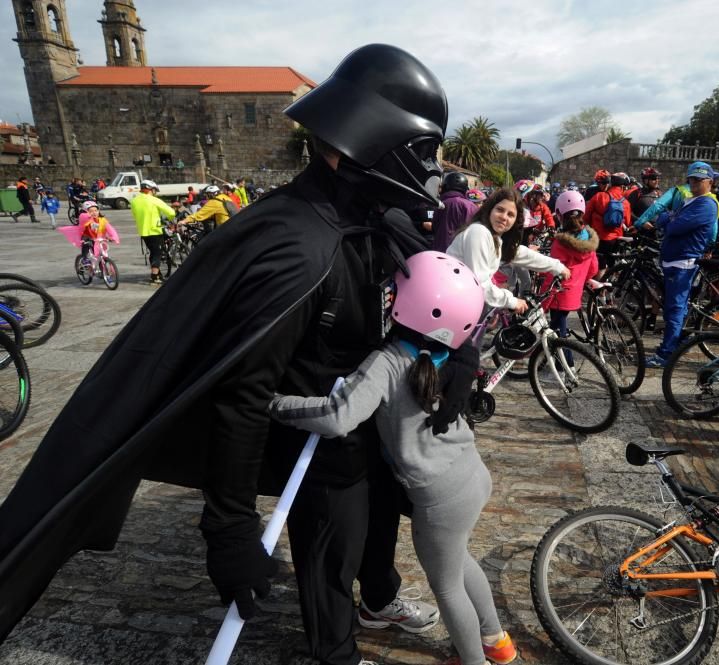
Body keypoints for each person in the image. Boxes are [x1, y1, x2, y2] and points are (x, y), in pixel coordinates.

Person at [0, 44, 460, 665]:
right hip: (316, 443)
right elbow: (240, 394)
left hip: (367, 427)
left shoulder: (372, 220)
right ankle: (338, 651)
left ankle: (380, 597)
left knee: (379, 526)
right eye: (421, 151)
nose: (430, 169)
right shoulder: (295, 242)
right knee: (333, 545)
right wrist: (230, 525)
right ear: (374, 141)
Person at [270, 251, 518, 665]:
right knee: (460, 561)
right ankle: (497, 641)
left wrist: (277, 404)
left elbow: (337, 417)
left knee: (448, 584)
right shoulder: (454, 356)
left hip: (439, 497)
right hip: (472, 477)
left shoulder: (387, 362)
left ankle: (475, 659)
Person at [644, 161, 719, 368]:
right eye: (691, 179)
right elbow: (669, 219)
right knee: (675, 307)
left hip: (683, 261)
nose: (694, 183)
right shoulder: (692, 200)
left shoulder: (705, 204)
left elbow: (674, 226)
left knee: (674, 308)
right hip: (675, 259)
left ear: (710, 182)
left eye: (699, 179)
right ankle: (676, 342)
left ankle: (666, 354)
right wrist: (669, 217)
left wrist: (668, 217)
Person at [447, 188, 568, 315]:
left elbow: (520, 253)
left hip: (462, 305)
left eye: (511, 215)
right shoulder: (479, 232)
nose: (504, 217)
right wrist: (512, 301)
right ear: (490, 209)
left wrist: (557, 266)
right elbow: (480, 284)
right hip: (452, 308)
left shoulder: (495, 238)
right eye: (500, 210)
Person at [538, 190, 599, 363]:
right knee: (560, 328)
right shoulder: (589, 239)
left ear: (559, 214)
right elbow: (593, 268)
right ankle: (553, 362)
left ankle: (566, 367)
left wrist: (544, 304)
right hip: (575, 293)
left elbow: (553, 275)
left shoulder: (560, 243)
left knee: (559, 333)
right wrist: (581, 280)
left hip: (560, 295)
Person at [583, 170, 632, 273]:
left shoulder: (599, 196)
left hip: (599, 238)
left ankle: (600, 288)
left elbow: (586, 217)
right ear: (623, 187)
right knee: (612, 265)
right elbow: (627, 222)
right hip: (616, 239)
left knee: (600, 266)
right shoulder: (625, 202)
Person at [129, 180, 176, 284]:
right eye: (154, 190)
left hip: (143, 231)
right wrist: (171, 218)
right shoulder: (154, 200)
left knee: (153, 252)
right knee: (157, 253)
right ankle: (154, 276)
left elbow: (135, 214)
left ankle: (157, 274)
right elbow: (171, 212)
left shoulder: (134, 201)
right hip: (155, 230)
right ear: (150, 189)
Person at [432, 172, 477, 252]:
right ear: (465, 189)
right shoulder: (472, 206)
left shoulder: (439, 204)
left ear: (445, 187)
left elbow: (434, 227)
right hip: (461, 255)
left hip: (439, 252)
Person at [78, 201, 111, 265]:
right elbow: (85, 220)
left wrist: (110, 236)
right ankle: (84, 258)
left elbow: (107, 228)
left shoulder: (101, 219)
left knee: (100, 253)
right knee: (86, 245)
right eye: (91, 211)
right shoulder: (84, 218)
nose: (94, 213)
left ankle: (103, 269)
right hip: (87, 236)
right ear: (86, 212)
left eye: (96, 210)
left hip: (97, 237)